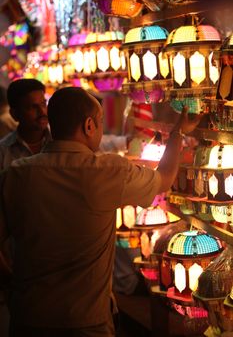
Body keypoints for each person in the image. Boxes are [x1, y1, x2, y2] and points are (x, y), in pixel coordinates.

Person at [0, 87, 200, 337]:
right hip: (85, 320)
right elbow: (165, 178)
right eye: (101, 122)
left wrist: (11, 282)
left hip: (29, 316)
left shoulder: (16, 175)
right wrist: (178, 131)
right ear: (88, 126)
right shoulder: (107, 172)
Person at [0, 78, 51, 170]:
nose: (42, 112)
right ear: (15, 114)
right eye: (33, 107)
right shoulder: (3, 151)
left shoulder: (58, 142)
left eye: (43, 104)